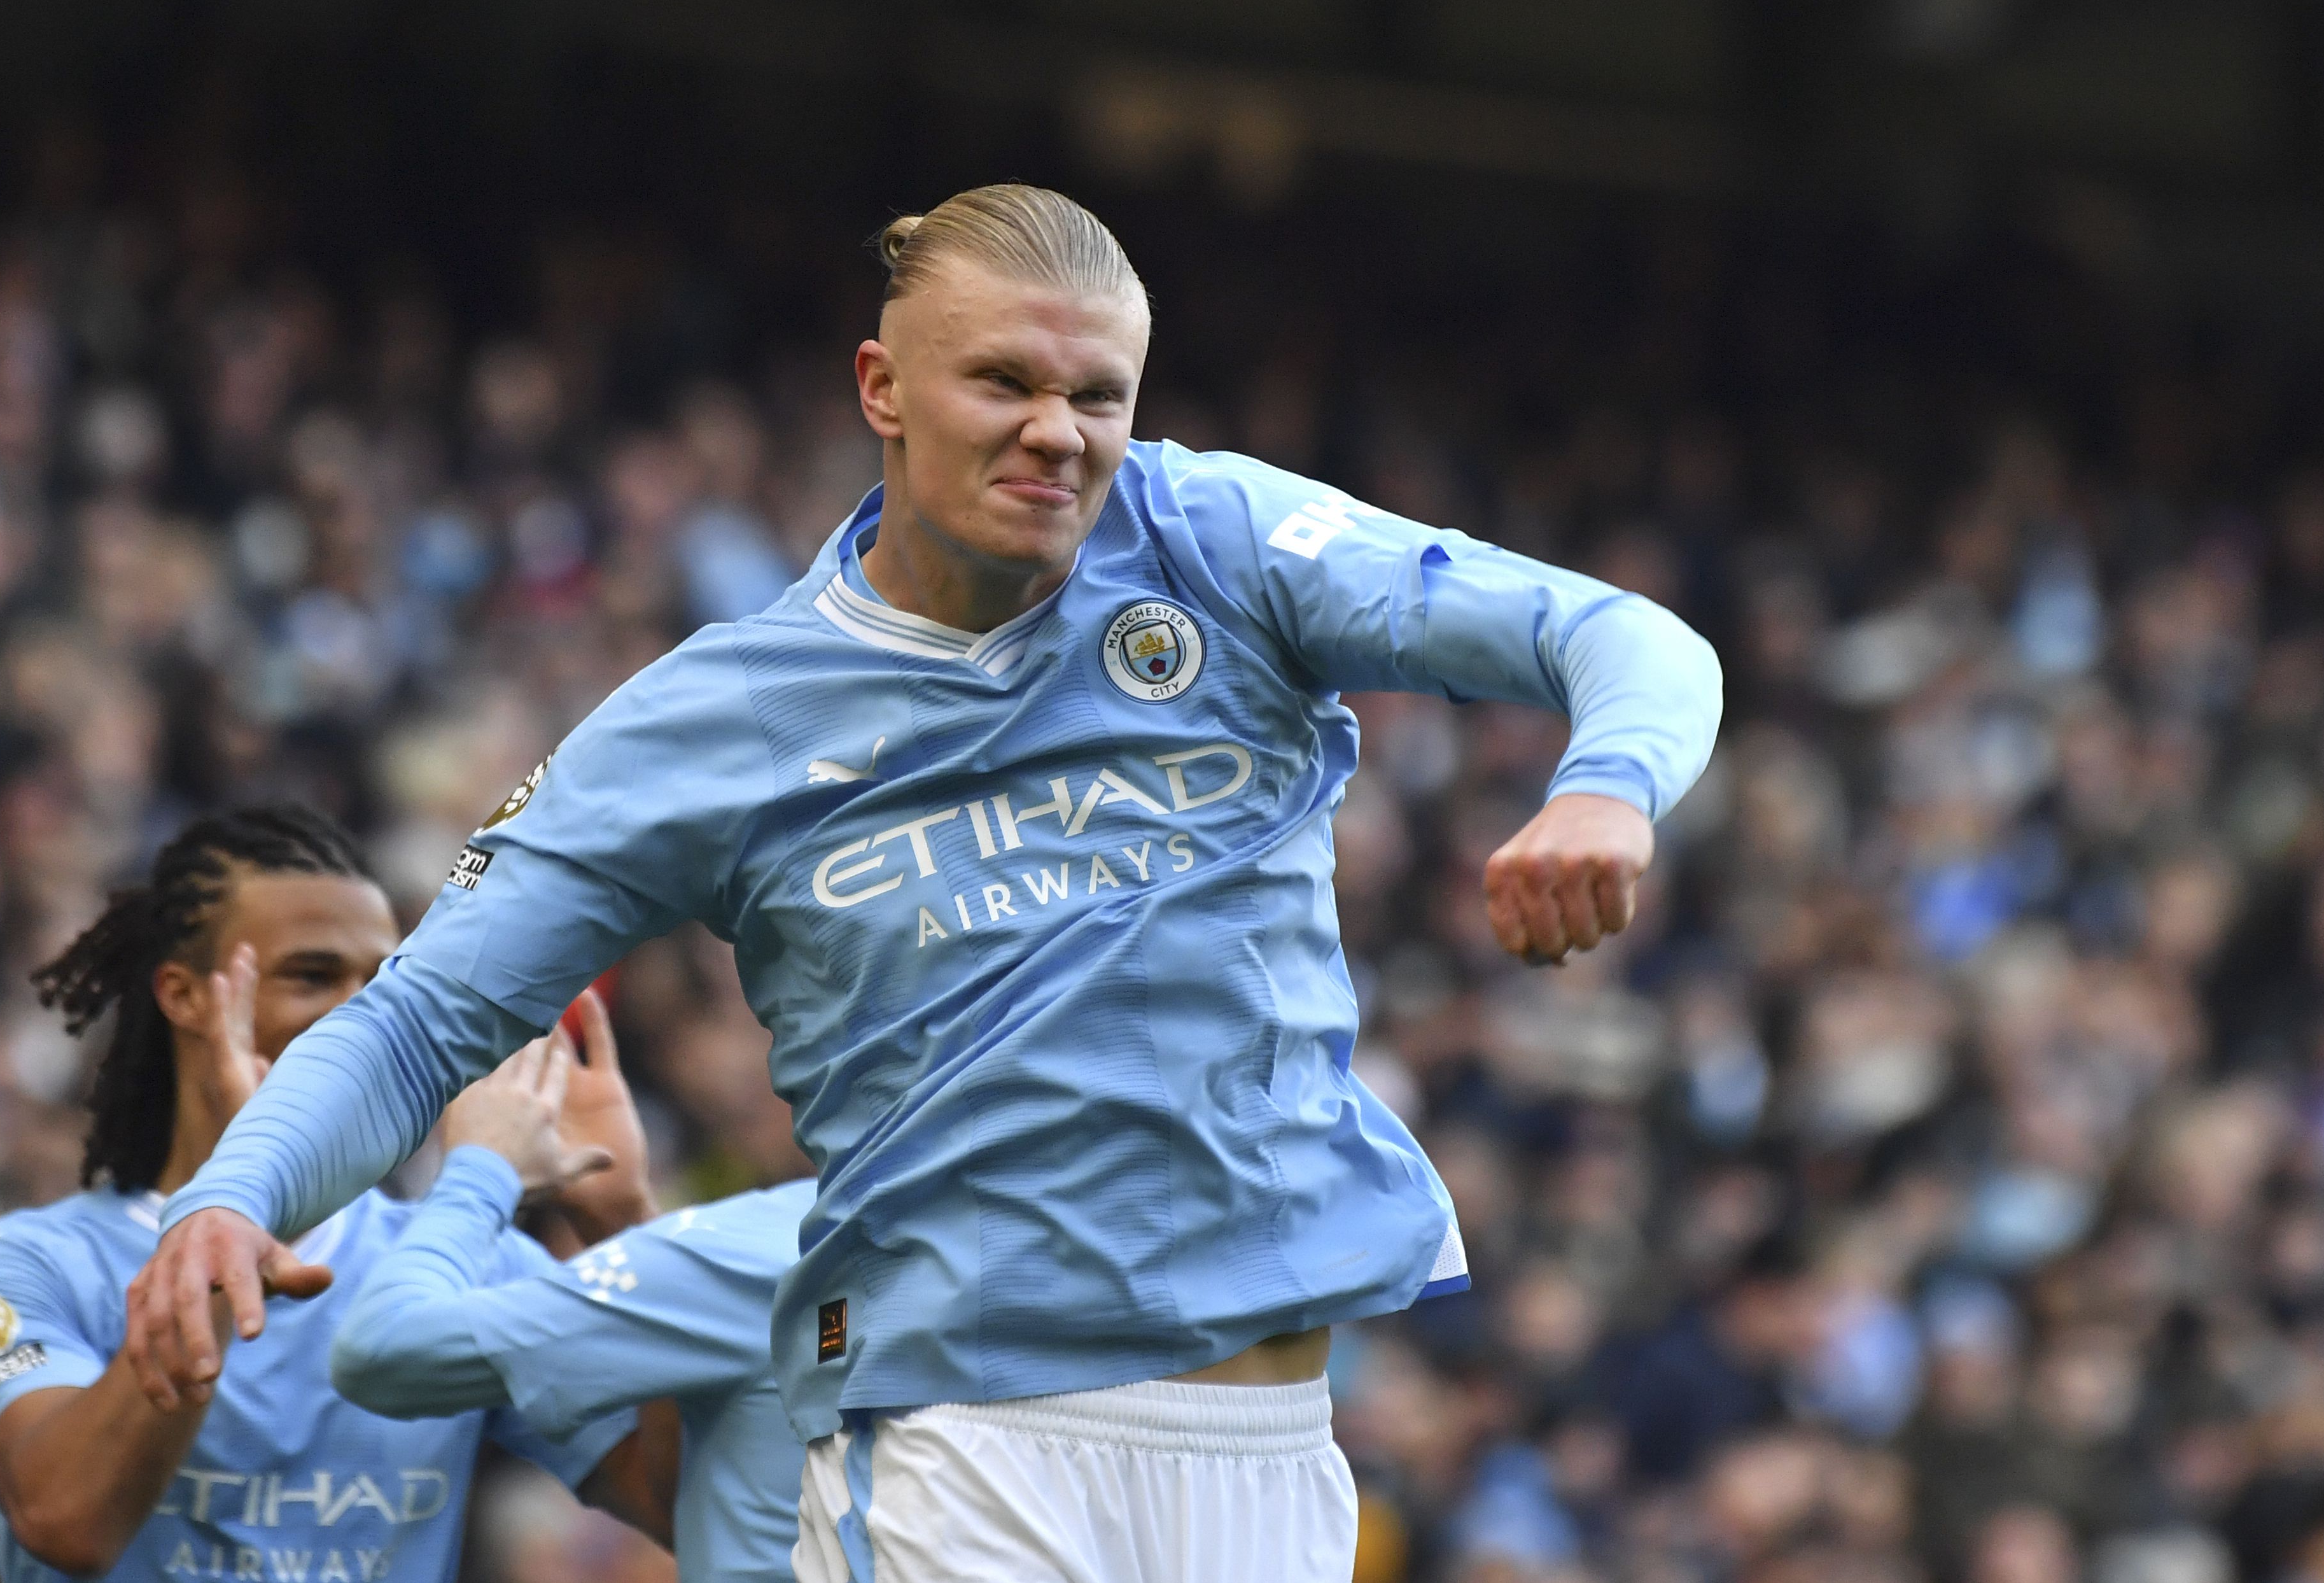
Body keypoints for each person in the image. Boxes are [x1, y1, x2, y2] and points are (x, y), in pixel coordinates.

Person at [127, 185, 1724, 1581]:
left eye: (1099, 394)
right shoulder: (717, 715)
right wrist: (230, 1197)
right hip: (966, 1442)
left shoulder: (1216, 541)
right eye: (1008, 382)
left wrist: (1604, 782)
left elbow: (1624, 635)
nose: (1061, 432)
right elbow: (420, 1027)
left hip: (1271, 1444)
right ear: (882, 388)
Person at [0, 806, 665, 1582]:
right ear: (184, 996)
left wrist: (625, 1223)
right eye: (312, 975)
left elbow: (683, 1501)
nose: (371, 1021)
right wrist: (239, 1203)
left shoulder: (460, 1260)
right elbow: (68, 1520)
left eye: (389, 981)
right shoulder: (22, 1268)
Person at [328, 995, 813, 1583]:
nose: (364, 1023)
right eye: (315, 977)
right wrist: (622, 1222)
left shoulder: (763, 1247)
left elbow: (381, 1348)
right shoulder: (879, 1244)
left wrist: (483, 1174)